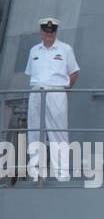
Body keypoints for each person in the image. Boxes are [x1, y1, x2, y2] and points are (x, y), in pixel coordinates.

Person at [24, 17, 80, 182]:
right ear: (41, 32)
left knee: (58, 132)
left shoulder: (65, 49)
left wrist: (63, 90)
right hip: (36, 93)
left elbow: (74, 72)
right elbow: (31, 73)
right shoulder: (34, 51)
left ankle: (62, 174)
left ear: (55, 32)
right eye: (46, 32)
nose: (49, 35)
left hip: (56, 93)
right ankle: (36, 173)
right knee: (34, 132)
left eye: (52, 32)